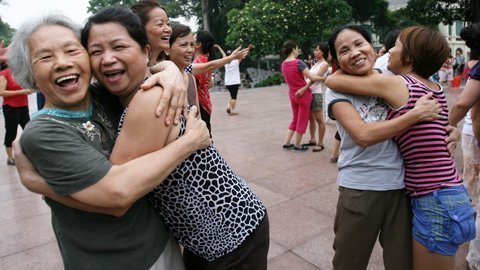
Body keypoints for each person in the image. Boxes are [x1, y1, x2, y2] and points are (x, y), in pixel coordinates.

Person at [9, 13, 210, 269]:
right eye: (45, 57)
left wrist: (169, 69)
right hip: (114, 259)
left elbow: (142, 68)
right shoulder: (44, 132)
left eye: (72, 50)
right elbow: (117, 198)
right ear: (30, 73)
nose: (61, 63)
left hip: (159, 241)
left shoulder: (102, 94)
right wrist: (189, 142)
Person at [326, 25, 474, 270]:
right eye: (343, 50)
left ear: (372, 48)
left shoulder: (394, 80)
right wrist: (415, 116)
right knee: (349, 261)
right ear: (334, 57)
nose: (354, 52)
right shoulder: (341, 88)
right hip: (364, 187)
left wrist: (450, 132)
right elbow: (362, 134)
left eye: (359, 43)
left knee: (402, 263)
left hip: (410, 191)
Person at [148, 21, 268, 269]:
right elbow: (210, 65)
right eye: (184, 44)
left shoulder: (188, 76)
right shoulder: (162, 79)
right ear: (166, 48)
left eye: (192, 44)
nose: (190, 49)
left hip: (200, 123)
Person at [130, 0, 248, 76]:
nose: (190, 50)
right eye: (160, 24)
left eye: (168, 24)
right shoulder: (134, 69)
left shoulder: (178, 71)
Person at [281, 40, 325, 151]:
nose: (297, 51)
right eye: (297, 48)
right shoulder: (299, 63)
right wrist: (326, 78)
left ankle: (287, 142)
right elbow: (313, 78)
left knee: (295, 118)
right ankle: (298, 145)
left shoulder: (283, 64)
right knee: (302, 119)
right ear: (293, 49)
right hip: (304, 94)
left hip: (292, 95)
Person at [0, 67, 32, 165]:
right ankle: (10, 158)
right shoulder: (4, 74)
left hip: (23, 106)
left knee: (29, 130)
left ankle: (31, 154)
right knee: (11, 132)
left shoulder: (21, 72)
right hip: (10, 107)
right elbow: (1, 92)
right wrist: (22, 92)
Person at [304, 43, 329, 152]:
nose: (315, 52)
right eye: (314, 50)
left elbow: (314, 79)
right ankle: (312, 139)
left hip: (316, 93)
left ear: (323, 52)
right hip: (309, 93)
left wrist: (304, 88)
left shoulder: (324, 64)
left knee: (319, 119)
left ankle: (321, 143)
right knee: (311, 119)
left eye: (317, 50)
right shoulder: (315, 63)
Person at [217, 45, 243, 115]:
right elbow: (242, 55)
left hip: (228, 83)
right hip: (235, 82)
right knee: (234, 97)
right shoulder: (236, 62)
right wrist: (247, 49)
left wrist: (219, 47)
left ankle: (228, 107)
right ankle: (232, 110)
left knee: (231, 95)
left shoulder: (225, 62)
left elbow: (223, 54)